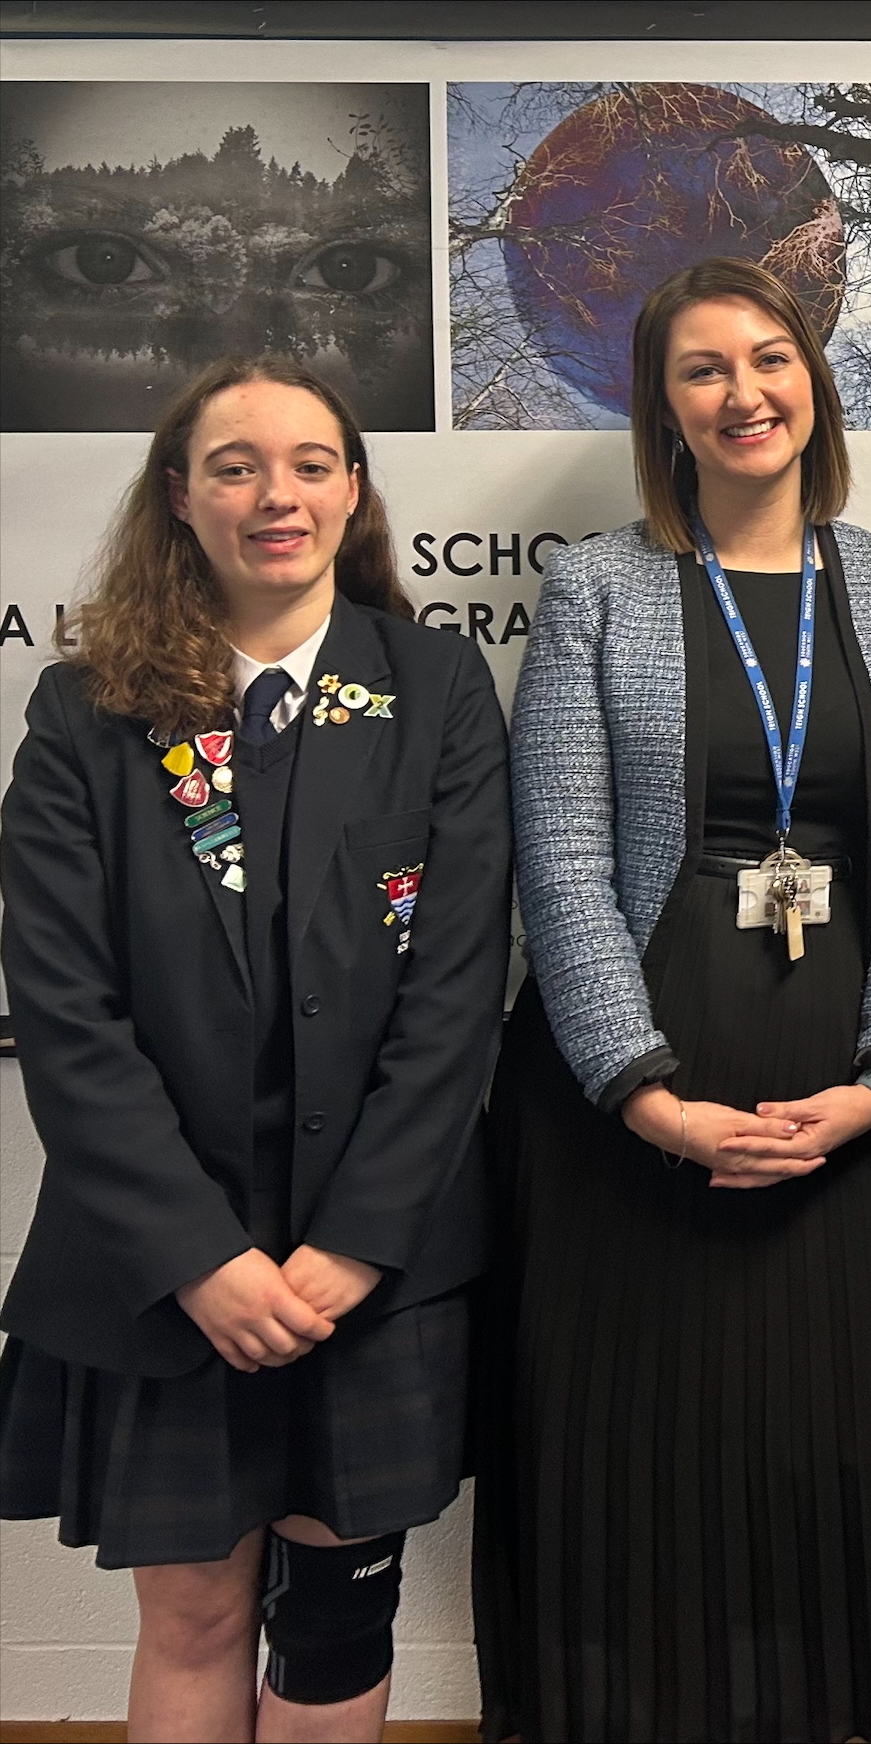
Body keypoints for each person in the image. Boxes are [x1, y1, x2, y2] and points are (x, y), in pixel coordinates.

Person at [475, 258, 871, 1742]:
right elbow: (559, 858)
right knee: (633, 1466)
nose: (744, 392)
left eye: (769, 357)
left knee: (857, 1464)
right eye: (702, 368)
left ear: (813, 379)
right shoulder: (596, 589)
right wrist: (642, 1093)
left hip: (852, 1108)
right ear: (661, 407)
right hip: (627, 1115)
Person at [0, 355, 509, 1741]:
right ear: (180, 496)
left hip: (372, 1260)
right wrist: (200, 1260)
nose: (275, 494)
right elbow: (67, 1016)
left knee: (338, 1617)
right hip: (167, 1262)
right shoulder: (87, 710)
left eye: (308, 464)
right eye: (235, 466)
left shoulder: (434, 687)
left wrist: (353, 1248)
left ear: (353, 492)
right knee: (195, 1616)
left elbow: (456, 994)